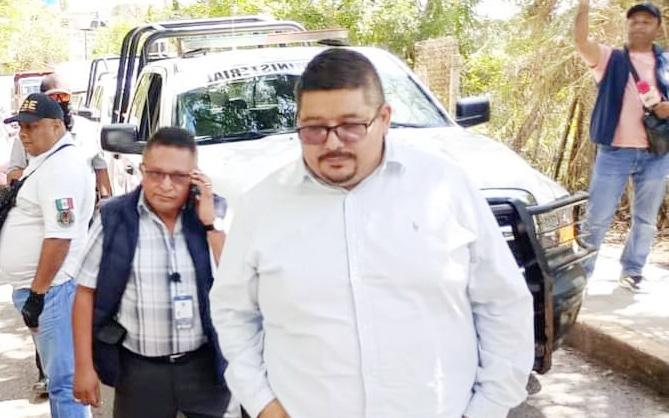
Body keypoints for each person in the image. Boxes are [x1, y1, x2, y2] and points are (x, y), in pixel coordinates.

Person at [211, 48, 534, 418]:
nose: (333, 142)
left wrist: (487, 408)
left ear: (384, 119)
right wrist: (263, 404)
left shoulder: (445, 187)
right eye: (314, 128)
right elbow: (233, 313)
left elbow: (502, 304)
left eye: (351, 125)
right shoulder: (261, 206)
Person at [71, 127, 232, 418]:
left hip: (203, 367)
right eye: (156, 174)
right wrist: (83, 367)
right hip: (140, 371)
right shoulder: (115, 219)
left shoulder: (213, 213)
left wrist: (210, 224)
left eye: (178, 176)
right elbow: (84, 293)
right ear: (142, 171)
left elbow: (238, 282)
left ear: (194, 177)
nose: (166, 185)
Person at [0, 93, 95, 417]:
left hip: (54, 291)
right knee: (59, 381)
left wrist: (38, 295)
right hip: (44, 290)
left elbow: (59, 237)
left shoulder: (62, 168)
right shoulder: (47, 161)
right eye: (21, 127)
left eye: (32, 126)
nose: (23, 134)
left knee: (65, 384)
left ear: (56, 125)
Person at [575, 1, 669, 291]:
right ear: (627, 25)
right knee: (597, 217)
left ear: (657, 27)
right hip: (614, 152)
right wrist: (583, 5)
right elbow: (581, 41)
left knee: (645, 219)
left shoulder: (666, 63)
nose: (639, 25)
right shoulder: (610, 59)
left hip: (656, 154)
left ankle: (633, 270)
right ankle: (581, 275)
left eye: (646, 21)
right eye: (634, 20)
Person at [6, 74, 113, 199]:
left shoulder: (87, 129)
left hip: (83, 205)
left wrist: (106, 201)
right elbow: (13, 175)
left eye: (63, 96)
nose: (59, 101)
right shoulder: (26, 134)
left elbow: (100, 169)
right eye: (52, 97)